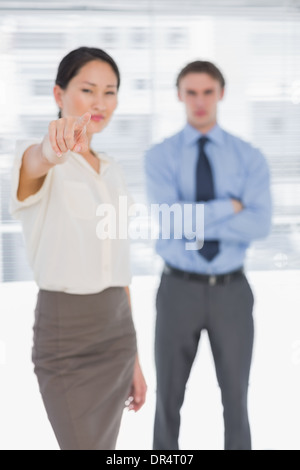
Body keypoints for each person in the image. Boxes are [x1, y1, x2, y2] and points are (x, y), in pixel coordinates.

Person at [10, 46, 147, 450]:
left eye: (110, 91)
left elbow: (119, 268)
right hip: (66, 336)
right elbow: (38, 160)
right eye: (88, 90)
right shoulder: (35, 155)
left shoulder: (113, 171)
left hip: (118, 331)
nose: (100, 102)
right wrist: (51, 150)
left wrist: (135, 359)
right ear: (58, 95)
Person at [145, 60, 272, 450]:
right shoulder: (160, 156)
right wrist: (229, 207)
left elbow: (259, 225)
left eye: (208, 92)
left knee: (236, 400)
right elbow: (169, 223)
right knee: (167, 400)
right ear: (180, 96)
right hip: (178, 289)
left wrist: (194, 218)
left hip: (232, 290)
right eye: (191, 93)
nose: (199, 102)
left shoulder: (249, 157)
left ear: (221, 94)